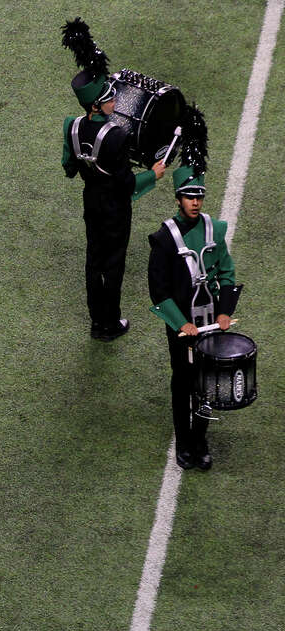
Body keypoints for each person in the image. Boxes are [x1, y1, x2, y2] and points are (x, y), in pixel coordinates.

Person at [60, 18, 165, 340]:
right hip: (115, 209)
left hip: (90, 201)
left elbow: (68, 167)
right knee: (113, 265)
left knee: (94, 262)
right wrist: (154, 174)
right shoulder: (117, 136)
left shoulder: (72, 125)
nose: (114, 101)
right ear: (97, 104)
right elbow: (127, 184)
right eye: (109, 98)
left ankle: (96, 322)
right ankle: (111, 323)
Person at [148, 112, 237, 470]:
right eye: (188, 196)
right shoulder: (164, 238)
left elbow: (227, 273)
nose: (195, 202)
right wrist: (179, 324)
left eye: (199, 196)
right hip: (183, 323)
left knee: (207, 381)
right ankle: (184, 442)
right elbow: (158, 291)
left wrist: (225, 310)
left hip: (210, 321)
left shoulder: (214, 229)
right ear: (177, 199)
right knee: (184, 382)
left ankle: (200, 438)